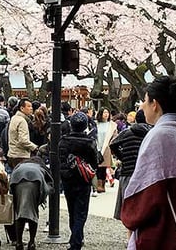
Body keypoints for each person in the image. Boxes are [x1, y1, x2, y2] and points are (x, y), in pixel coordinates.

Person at [121, 76, 176, 250]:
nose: (142, 106)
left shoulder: (158, 136)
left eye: (145, 100)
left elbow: (145, 189)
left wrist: (131, 215)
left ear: (154, 104)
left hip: (161, 229)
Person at [59, 111, 98, 250]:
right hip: (84, 180)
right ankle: (76, 241)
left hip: (68, 180)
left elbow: (61, 159)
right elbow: (95, 161)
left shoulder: (64, 141)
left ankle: (75, 237)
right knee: (81, 212)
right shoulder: (90, 142)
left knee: (72, 210)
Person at [109, 109, 151, 233]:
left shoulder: (127, 132)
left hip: (127, 171)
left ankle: (130, 234)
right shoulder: (151, 133)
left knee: (128, 205)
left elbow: (113, 144)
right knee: (143, 206)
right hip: (145, 172)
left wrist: (123, 156)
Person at [9, 157, 54, 250]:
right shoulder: (41, 167)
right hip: (36, 181)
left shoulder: (21, 164)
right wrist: (42, 198)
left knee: (19, 213)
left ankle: (18, 242)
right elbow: (50, 184)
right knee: (33, 212)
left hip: (17, 180)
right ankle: (32, 242)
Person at [7, 98, 37, 169]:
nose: (31, 108)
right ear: (22, 108)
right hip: (21, 155)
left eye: (31, 106)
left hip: (12, 153)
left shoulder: (14, 118)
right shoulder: (22, 121)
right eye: (29, 106)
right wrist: (35, 147)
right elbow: (23, 140)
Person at [95, 107, 117, 193]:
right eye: (104, 112)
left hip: (106, 147)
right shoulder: (96, 124)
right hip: (97, 146)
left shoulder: (111, 125)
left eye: (107, 112)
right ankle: (97, 184)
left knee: (103, 168)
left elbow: (115, 136)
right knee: (97, 167)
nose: (106, 114)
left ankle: (102, 185)